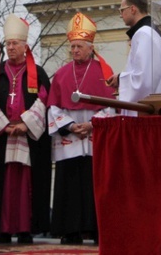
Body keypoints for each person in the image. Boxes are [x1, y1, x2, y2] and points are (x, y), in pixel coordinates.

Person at [47, 12, 116, 245]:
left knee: (94, 184)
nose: (75, 50)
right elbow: (53, 108)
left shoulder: (103, 73)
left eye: (79, 46)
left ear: (90, 47)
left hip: (94, 135)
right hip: (70, 139)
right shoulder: (61, 74)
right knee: (70, 185)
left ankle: (97, 230)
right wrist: (70, 126)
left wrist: (91, 124)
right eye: (73, 46)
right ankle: (71, 230)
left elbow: (111, 106)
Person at [0, 15, 51, 244]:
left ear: (25, 46)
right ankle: (2, 229)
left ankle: (25, 229)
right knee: (3, 186)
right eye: (8, 44)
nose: (11, 48)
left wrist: (26, 124)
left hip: (28, 138)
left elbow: (44, 100)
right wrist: (4, 125)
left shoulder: (38, 73)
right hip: (3, 138)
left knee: (26, 186)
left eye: (15, 44)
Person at [107, 0, 161, 116]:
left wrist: (120, 79)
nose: (121, 15)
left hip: (148, 110)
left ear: (133, 9)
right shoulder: (153, 32)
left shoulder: (143, 34)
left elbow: (145, 79)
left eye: (122, 10)